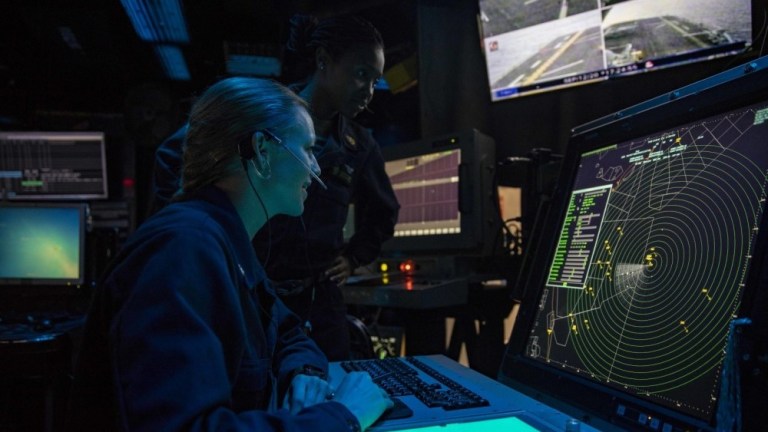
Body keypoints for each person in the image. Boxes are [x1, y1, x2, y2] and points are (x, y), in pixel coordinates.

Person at [67, 77, 393, 431]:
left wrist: (304, 372)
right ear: (262, 151)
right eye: (308, 149)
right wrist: (343, 416)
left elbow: (287, 331)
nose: (315, 169)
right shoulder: (182, 252)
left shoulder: (225, 242)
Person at [150, 14, 400, 361]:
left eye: (375, 81)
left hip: (316, 298)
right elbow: (172, 156)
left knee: (329, 380)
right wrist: (199, 240)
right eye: (361, 74)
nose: (369, 92)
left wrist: (353, 258)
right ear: (324, 60)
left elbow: (384, 213)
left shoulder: (359, 146)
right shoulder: (263, 109)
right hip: (251, 287)